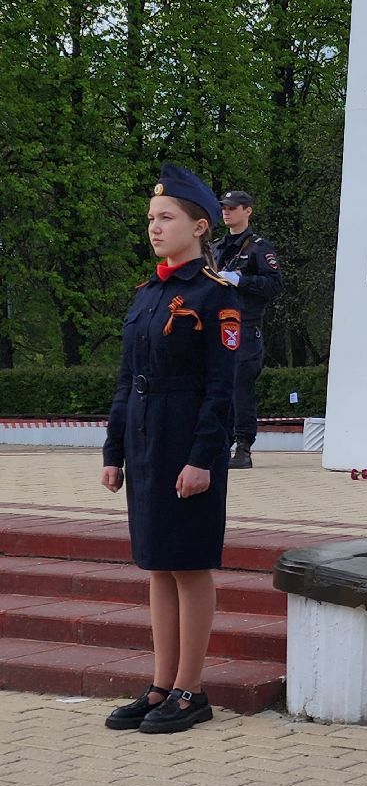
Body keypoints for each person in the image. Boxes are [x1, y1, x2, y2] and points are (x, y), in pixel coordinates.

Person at [101, 163, 241, 734]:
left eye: (166, 218)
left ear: (200, 226)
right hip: (145, 441)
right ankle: (161, 684)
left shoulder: (213, 298)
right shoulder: (148, 295)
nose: (155, 228)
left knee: (188, 566)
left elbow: (221, 390)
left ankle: (191, 689)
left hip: (187, 441)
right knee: (157, 565)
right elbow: (125, 378)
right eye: (151, 219)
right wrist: (114, 451)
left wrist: (203, 459)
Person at [214, 189, 283, 469]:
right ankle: (220, 442)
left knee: (240, 387)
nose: (226, 212)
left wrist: (240, 281)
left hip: (244, 326)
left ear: (247, 211)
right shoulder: (217, 247)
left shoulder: (258, 247)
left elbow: (275, 285)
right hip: (216, 326)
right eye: (224, 207)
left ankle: (243, 447)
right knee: (217, 386)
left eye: (232, 207)